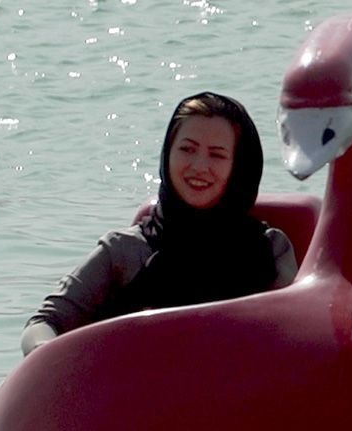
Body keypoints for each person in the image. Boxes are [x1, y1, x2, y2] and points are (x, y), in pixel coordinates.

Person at [20, 91, 297, 355]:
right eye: (187, 149)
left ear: (239, 167)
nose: (199, 166)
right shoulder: (123, 250)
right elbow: (44, 323)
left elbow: (293, 335)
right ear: (168, 154)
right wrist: (47, 355)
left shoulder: (270, 250)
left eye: (217, 154)